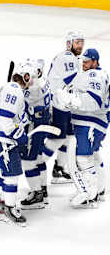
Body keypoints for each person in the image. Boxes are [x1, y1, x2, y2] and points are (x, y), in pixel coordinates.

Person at [0, 62, 33, 227]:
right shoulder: (13, 89)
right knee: (12, 173)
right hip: (3, 135)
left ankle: (1, 207)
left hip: (2, 135)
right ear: (25, 76)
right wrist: (19, 135)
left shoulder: (10, 88)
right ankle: (10, 209)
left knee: (7, 173)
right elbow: (4, 117)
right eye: (30, 77)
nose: (31, 81)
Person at [68, 48, 109, 208]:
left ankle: (89, 195)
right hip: (92, 122)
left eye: (87, 61)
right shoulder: (91, 74)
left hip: (91, 122)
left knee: (84, 157)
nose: (84, 63)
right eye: (83, 61)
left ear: (95, 61)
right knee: (93, 155)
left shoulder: (95, 75)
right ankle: (99, 190)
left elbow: (93, 101)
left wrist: (72, 99)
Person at [46, 31, 84, 184]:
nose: (80, 45)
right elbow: (73, 80)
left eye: (81, 42)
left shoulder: (72, 57)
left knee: (68, 136)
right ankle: (36, 165)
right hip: (57, 103)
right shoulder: (67, 57)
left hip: (64, 103)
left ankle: (59, 168)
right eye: (77, 42)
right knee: (57, 138)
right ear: (69, 44)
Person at [19, 59, 51, 209]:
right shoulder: (42, 82)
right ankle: (42, 187)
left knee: (27, 160)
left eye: (25, 76)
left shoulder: (33, 89)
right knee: (38, 157)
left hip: (35, 125)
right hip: (42, 121)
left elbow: (21, 102)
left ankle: (37, 193)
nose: (23, 80)